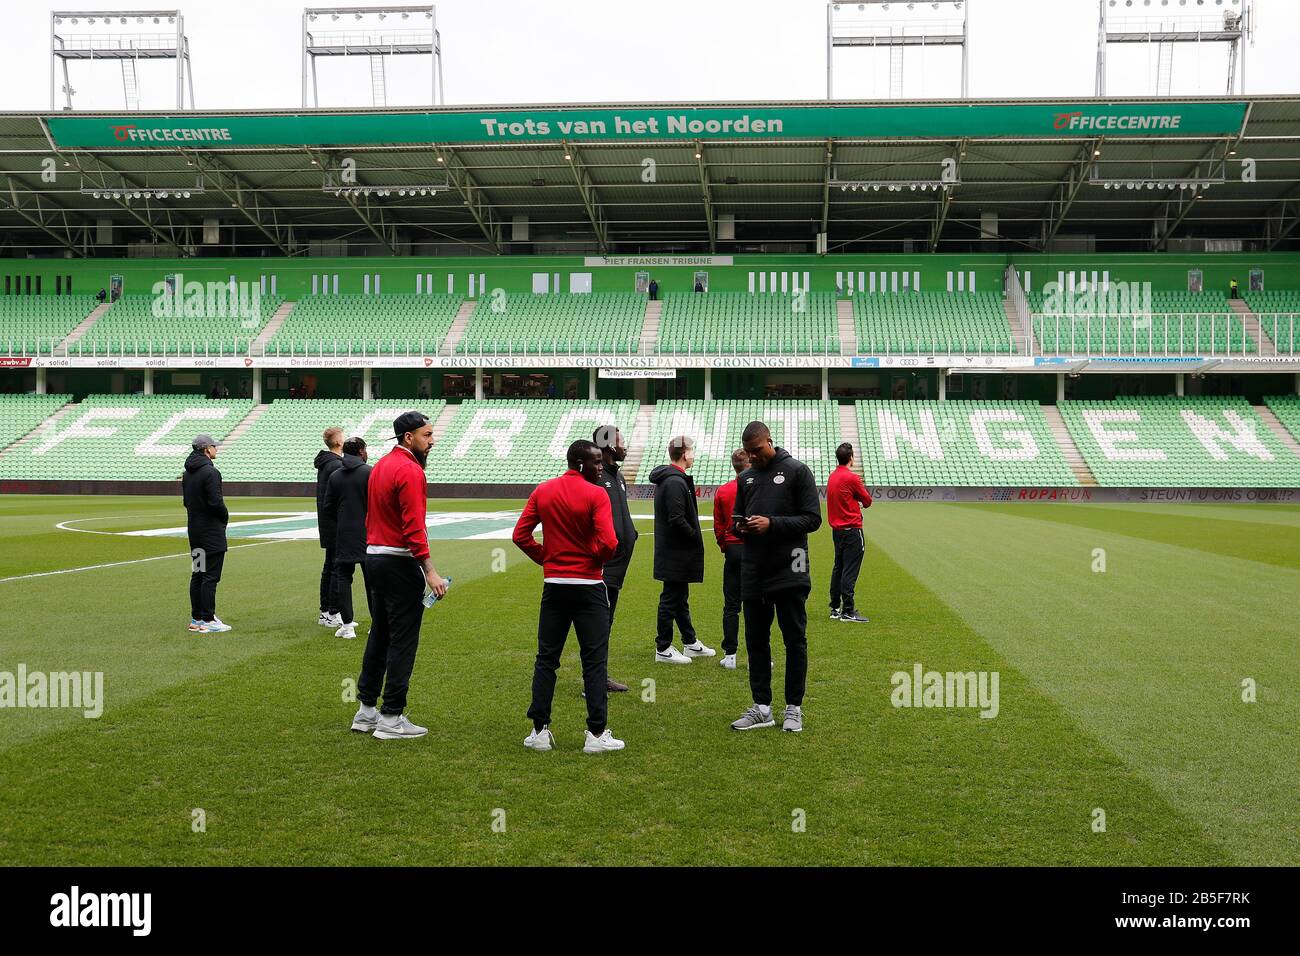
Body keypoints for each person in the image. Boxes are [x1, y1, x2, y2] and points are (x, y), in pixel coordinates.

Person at [513, 439, 625, 754]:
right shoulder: (596, 494)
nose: (601, 467)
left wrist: (547, 558)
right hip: (589, 587)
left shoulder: (543, 490)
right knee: (594, 660)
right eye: (596, 463)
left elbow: (520, 535)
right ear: (579, 464)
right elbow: (609, 543)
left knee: (547, 658)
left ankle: (539, 732)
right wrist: (593, 558)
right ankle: (596, 735)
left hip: (555, 586)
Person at [351, 411, 448, 740]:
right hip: (398, 561)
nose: (432, 441)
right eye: (427, 435)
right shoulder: (409, 469)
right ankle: (392, 716)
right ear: (409, 437)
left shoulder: (380, 466)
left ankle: (366, 711)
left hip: (374, 557)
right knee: (403, 640)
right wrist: (430, 570)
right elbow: (413, 526)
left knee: (380, 634)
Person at [729, 421, 821, 734]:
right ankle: (762, 707)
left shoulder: (798, 471)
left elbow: (812, 519)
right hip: (754, 568)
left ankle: (794, 707)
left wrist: (772, 524)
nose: (752, 457)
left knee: (794, 638)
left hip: (791, 567)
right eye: (749, 453)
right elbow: (737, 519)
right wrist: (740, 526)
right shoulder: (746, 477)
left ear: (769, 441)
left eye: (757, 451)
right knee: (756, 640)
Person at [648, 436, 714, 664]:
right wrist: (694, 536)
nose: (694, 454)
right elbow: (677, 519)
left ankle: (690, 642)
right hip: (675, 552)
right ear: (684, 454)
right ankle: (663, 648)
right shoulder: (675, 482)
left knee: (679, 598)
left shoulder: (674, 479)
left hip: (675, 551)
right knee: (670, 599)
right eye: (692, 451)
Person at [594, 425, 637, 692]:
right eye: (621, 442)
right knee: (598, 626)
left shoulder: (617, 475)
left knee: (605, 623)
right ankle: (594, 681)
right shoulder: (597, 478)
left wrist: (630, 534)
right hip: (603, 568)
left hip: (617, 568)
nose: (626, 446)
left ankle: (600, 676)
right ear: (609, 446)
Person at [323, 437, 372, 640]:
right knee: (373, 581)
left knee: (343, 578)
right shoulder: (370, 472)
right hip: (368, 533)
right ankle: (377, 625)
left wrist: (343, 518)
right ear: (361, 451)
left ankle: (347, 625)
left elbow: (328, 507)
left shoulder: (335, 475)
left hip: (344, 533)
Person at [182, 434, 231, 634]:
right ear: (206, 450)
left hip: (195, 531)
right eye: (213, 447)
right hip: (211, 532)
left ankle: (197, 617)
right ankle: (208, 619)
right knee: (210, 576)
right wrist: (224, 517)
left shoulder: (187, 473)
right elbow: (216, 502)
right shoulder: (210, 472)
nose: (216, 449)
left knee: (198, 573)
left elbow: (186, 502)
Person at [712, 448, 751, 669]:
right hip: (753, 549)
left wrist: (724, 545)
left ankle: (730, 655)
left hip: (733, 550)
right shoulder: (756, 487)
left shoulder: (724, 491)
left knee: (731, 604)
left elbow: (718, 524)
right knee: (758, 603)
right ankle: (760, 653)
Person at [826, 442, 872, 624]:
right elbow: (867, 500)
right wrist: (857, 502)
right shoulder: (851, 478)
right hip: (852, 529)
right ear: (851, 458)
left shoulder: (832, 476)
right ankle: (848, 610)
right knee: (849, 570)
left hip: (837, 531)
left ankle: (835, 607)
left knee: (839, 567)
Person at [315, 427, 345, 629]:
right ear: (337, 442)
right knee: (336, 568)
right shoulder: (335, 465)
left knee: (330, 567)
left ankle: (326, 611)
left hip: (327, 522)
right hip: (335, 523)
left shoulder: (326, 463)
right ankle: (332, 611)